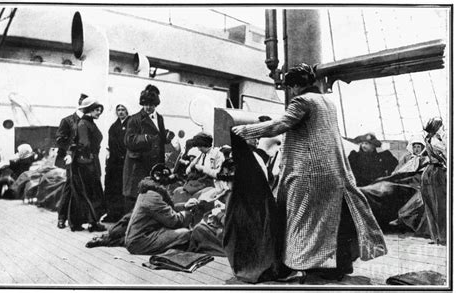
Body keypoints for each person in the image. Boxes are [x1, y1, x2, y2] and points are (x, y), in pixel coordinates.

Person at [232, 63, 386, 281]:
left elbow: (280, 125)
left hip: (310, 177)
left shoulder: (303, 101)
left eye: (290, 87)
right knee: (331, 223)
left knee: (303, 223)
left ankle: (306, 265)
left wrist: (245, 130)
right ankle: (335, 268)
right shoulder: (328, 102)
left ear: (295, 85)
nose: (291, 91)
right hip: (333, 173)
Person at [124, 164, 199, 255]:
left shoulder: (148, 191)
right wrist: (187, 213)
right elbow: (173, 221)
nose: (168, 187)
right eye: (167, 184)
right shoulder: (153, 197)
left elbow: (164, 209)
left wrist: (184, 206)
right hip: (140, 242)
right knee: (186, 233)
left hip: (141, 237)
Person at [123, 84, 174, 214]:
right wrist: (145, 138)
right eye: (145, 104)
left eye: (151, 105)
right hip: (139, 165)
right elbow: (128, 140)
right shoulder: (134, 119)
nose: (147, 107)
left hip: (155, 164)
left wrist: (167, 136)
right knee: (137, 197)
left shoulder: (160, 118)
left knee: (153, 195)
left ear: (156, 104)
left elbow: (160, 136)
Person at [67, 97, 106, 232]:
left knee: (86, 192)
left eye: (100, 110)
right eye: (96, 110)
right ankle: (92, 222)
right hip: (86, 163)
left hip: (87, 161)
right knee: (89, 192)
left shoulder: (88, 123)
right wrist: (89, 157)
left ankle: (85, 222)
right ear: (89, 110)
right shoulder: (84, 123)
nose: (99, 112)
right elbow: (84, 144)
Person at [188, 158, 235, 256]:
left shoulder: (234, 195)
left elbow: (232, 224)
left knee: (198, 229)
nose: (226, 182)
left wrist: (218, 213)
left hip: (234, 239)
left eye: (227, 179)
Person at [55, 93, 88, 229]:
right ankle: (61, 218)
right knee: (69, 187)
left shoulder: (88, 121)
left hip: (84, 160)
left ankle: (77, 218)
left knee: (80, 188)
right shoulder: (67, 120)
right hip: (70, 159)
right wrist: (70, 151)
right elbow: (60, 139)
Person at [421, 117, 447, 245]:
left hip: (428, 172)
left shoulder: (427, 139)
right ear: (437, 127)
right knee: (440, 204)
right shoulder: (437, 141)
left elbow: (423, 154)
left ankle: (435, 236)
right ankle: (442, 237)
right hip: (437, 172)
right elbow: (447, 155)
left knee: (430, 205)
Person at [103, 104, 130, 222]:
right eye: (118, 110)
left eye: (123, 109)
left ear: (127, 111)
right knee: (112, 187)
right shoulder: (114, 126)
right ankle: (112, 213)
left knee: (123, 188)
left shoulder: (131, 124)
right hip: (114, 162)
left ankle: (123, 214)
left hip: (125, 161)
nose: (120, 112)